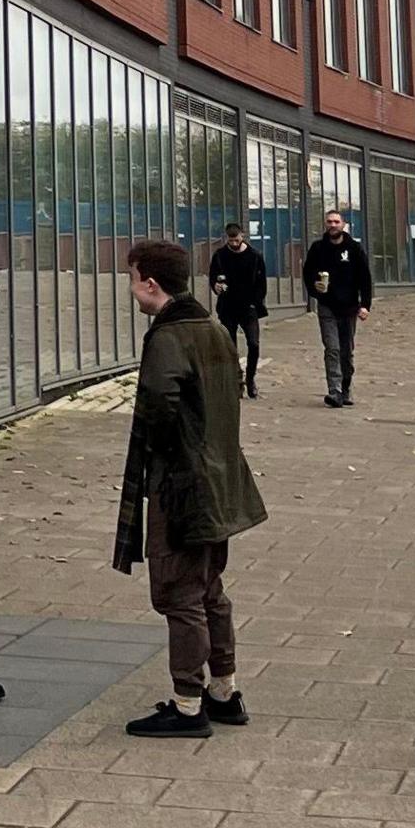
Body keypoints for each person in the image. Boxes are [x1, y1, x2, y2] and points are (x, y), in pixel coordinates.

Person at [113, 238, 266, 738]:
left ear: (150, 283)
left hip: (182, 485)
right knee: (210, 591)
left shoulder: (169, 337)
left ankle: (186, 705)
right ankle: (224, 691)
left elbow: (159, 405)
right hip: (220, 481)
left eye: (132, 279)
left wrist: (165, 460)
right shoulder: (215, 330)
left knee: (179, 594)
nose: (131, 289)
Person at [300, 208, 373, 406]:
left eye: (336, 222)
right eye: (329, 222)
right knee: (332, 349)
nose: (333, 225)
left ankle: (346, 387)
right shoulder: (318, 248)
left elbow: (365, 278)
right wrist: (315, 290)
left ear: (343, 224)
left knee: (346, 351)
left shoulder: (354, 249)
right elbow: (308, 274)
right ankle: (335, 390)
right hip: (327, 307)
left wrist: (365, 305)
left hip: (349, 307)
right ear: (326, 224)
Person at [207, 221, 270, 399]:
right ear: (226, 238)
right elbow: (213, 277)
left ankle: (251, 379)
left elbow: (261, 283)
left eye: (236, 240)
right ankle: (236, 380)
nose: (234, 243)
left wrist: (255, 303)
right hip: (227, 306)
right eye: (230, 240)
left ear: (242, 236)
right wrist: (216, 287)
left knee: (254, 344)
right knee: (230, 345)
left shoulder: (254, 256)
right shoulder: (220, 255)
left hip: (249, 307)